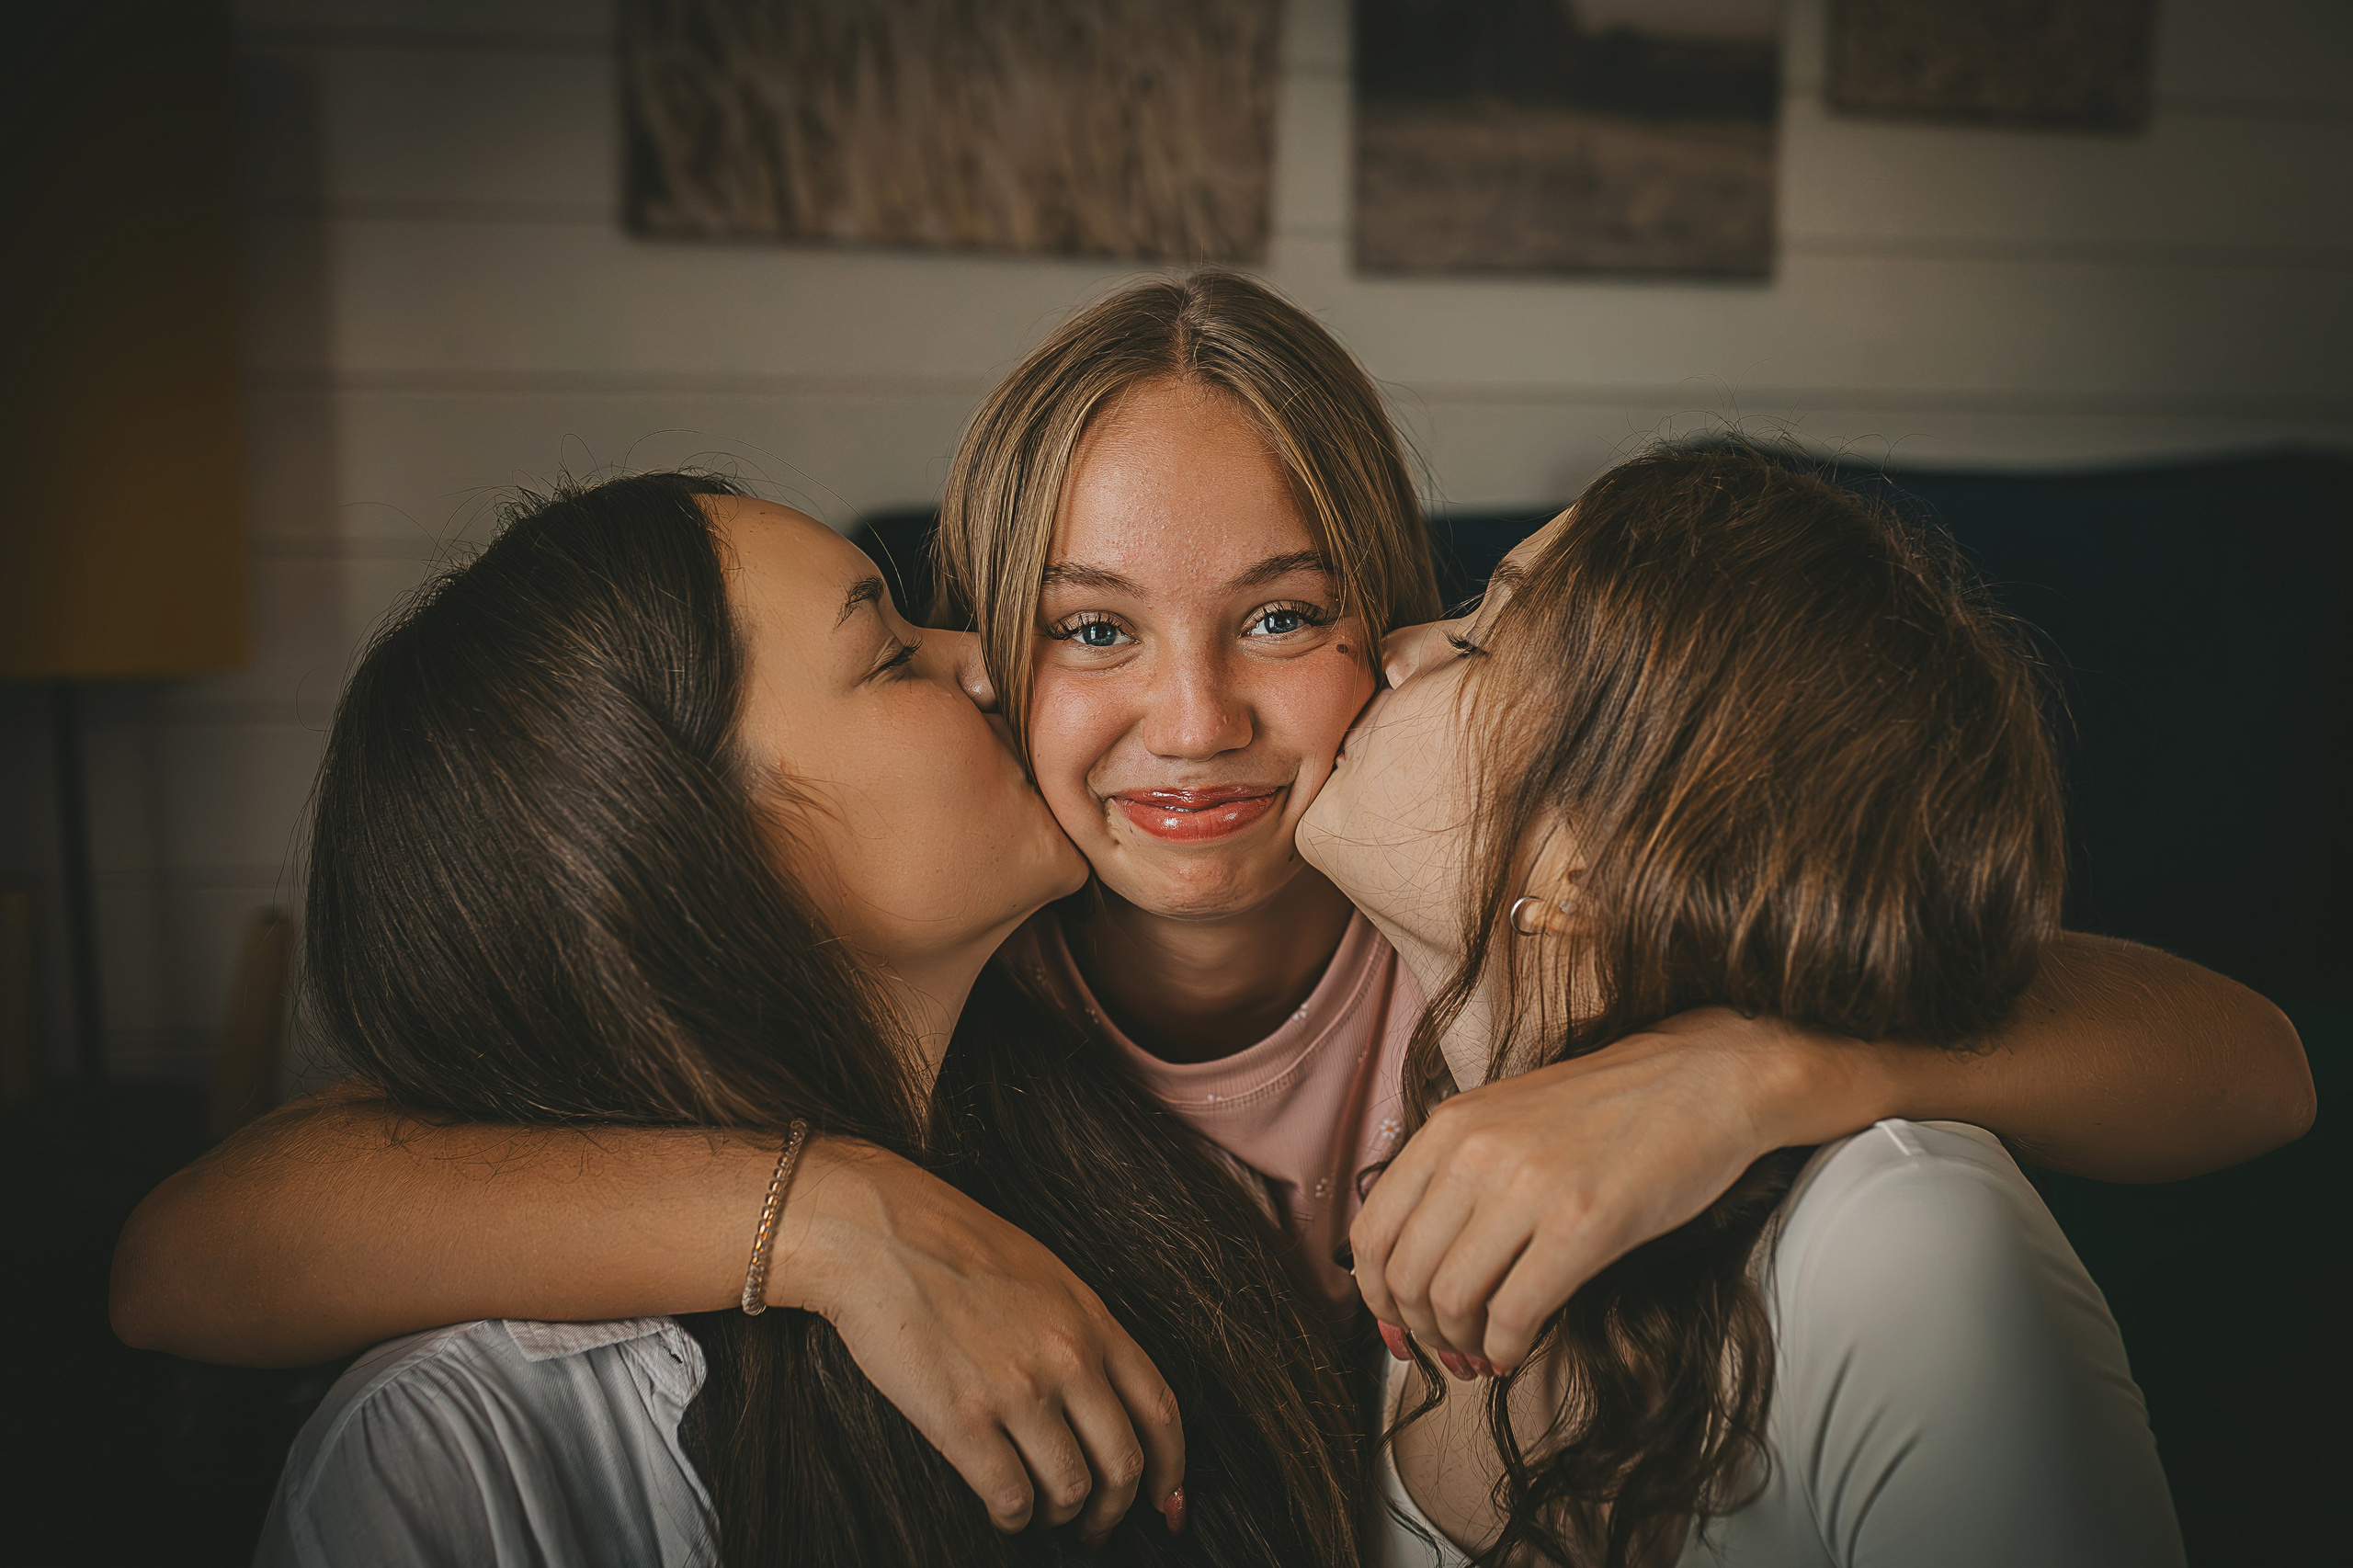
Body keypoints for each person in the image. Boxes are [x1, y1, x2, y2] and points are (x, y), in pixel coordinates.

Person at [113, 273, 2311, 1528]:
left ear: (1394, 626)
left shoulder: (1491, 917)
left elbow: (2246, 1058)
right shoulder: (934, 993)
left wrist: (1740, 1067)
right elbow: (210, 1241)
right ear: (992, 647)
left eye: (1279, 614)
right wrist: (841, 1215)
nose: (1191, 723)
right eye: (1082, 629)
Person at [254, 472, 1360, 1565]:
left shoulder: (1122, 1148)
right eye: (890, 655)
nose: (990, 659)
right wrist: (824, 1223)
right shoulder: (467, 1447)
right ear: (688, 855)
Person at [1301, 445, 2189, 1567]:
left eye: (1476, 641)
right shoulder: (1414, 1127)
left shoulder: (1904, 1242)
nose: (1394, 647)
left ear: (1597, 863)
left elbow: (2256, 1058)